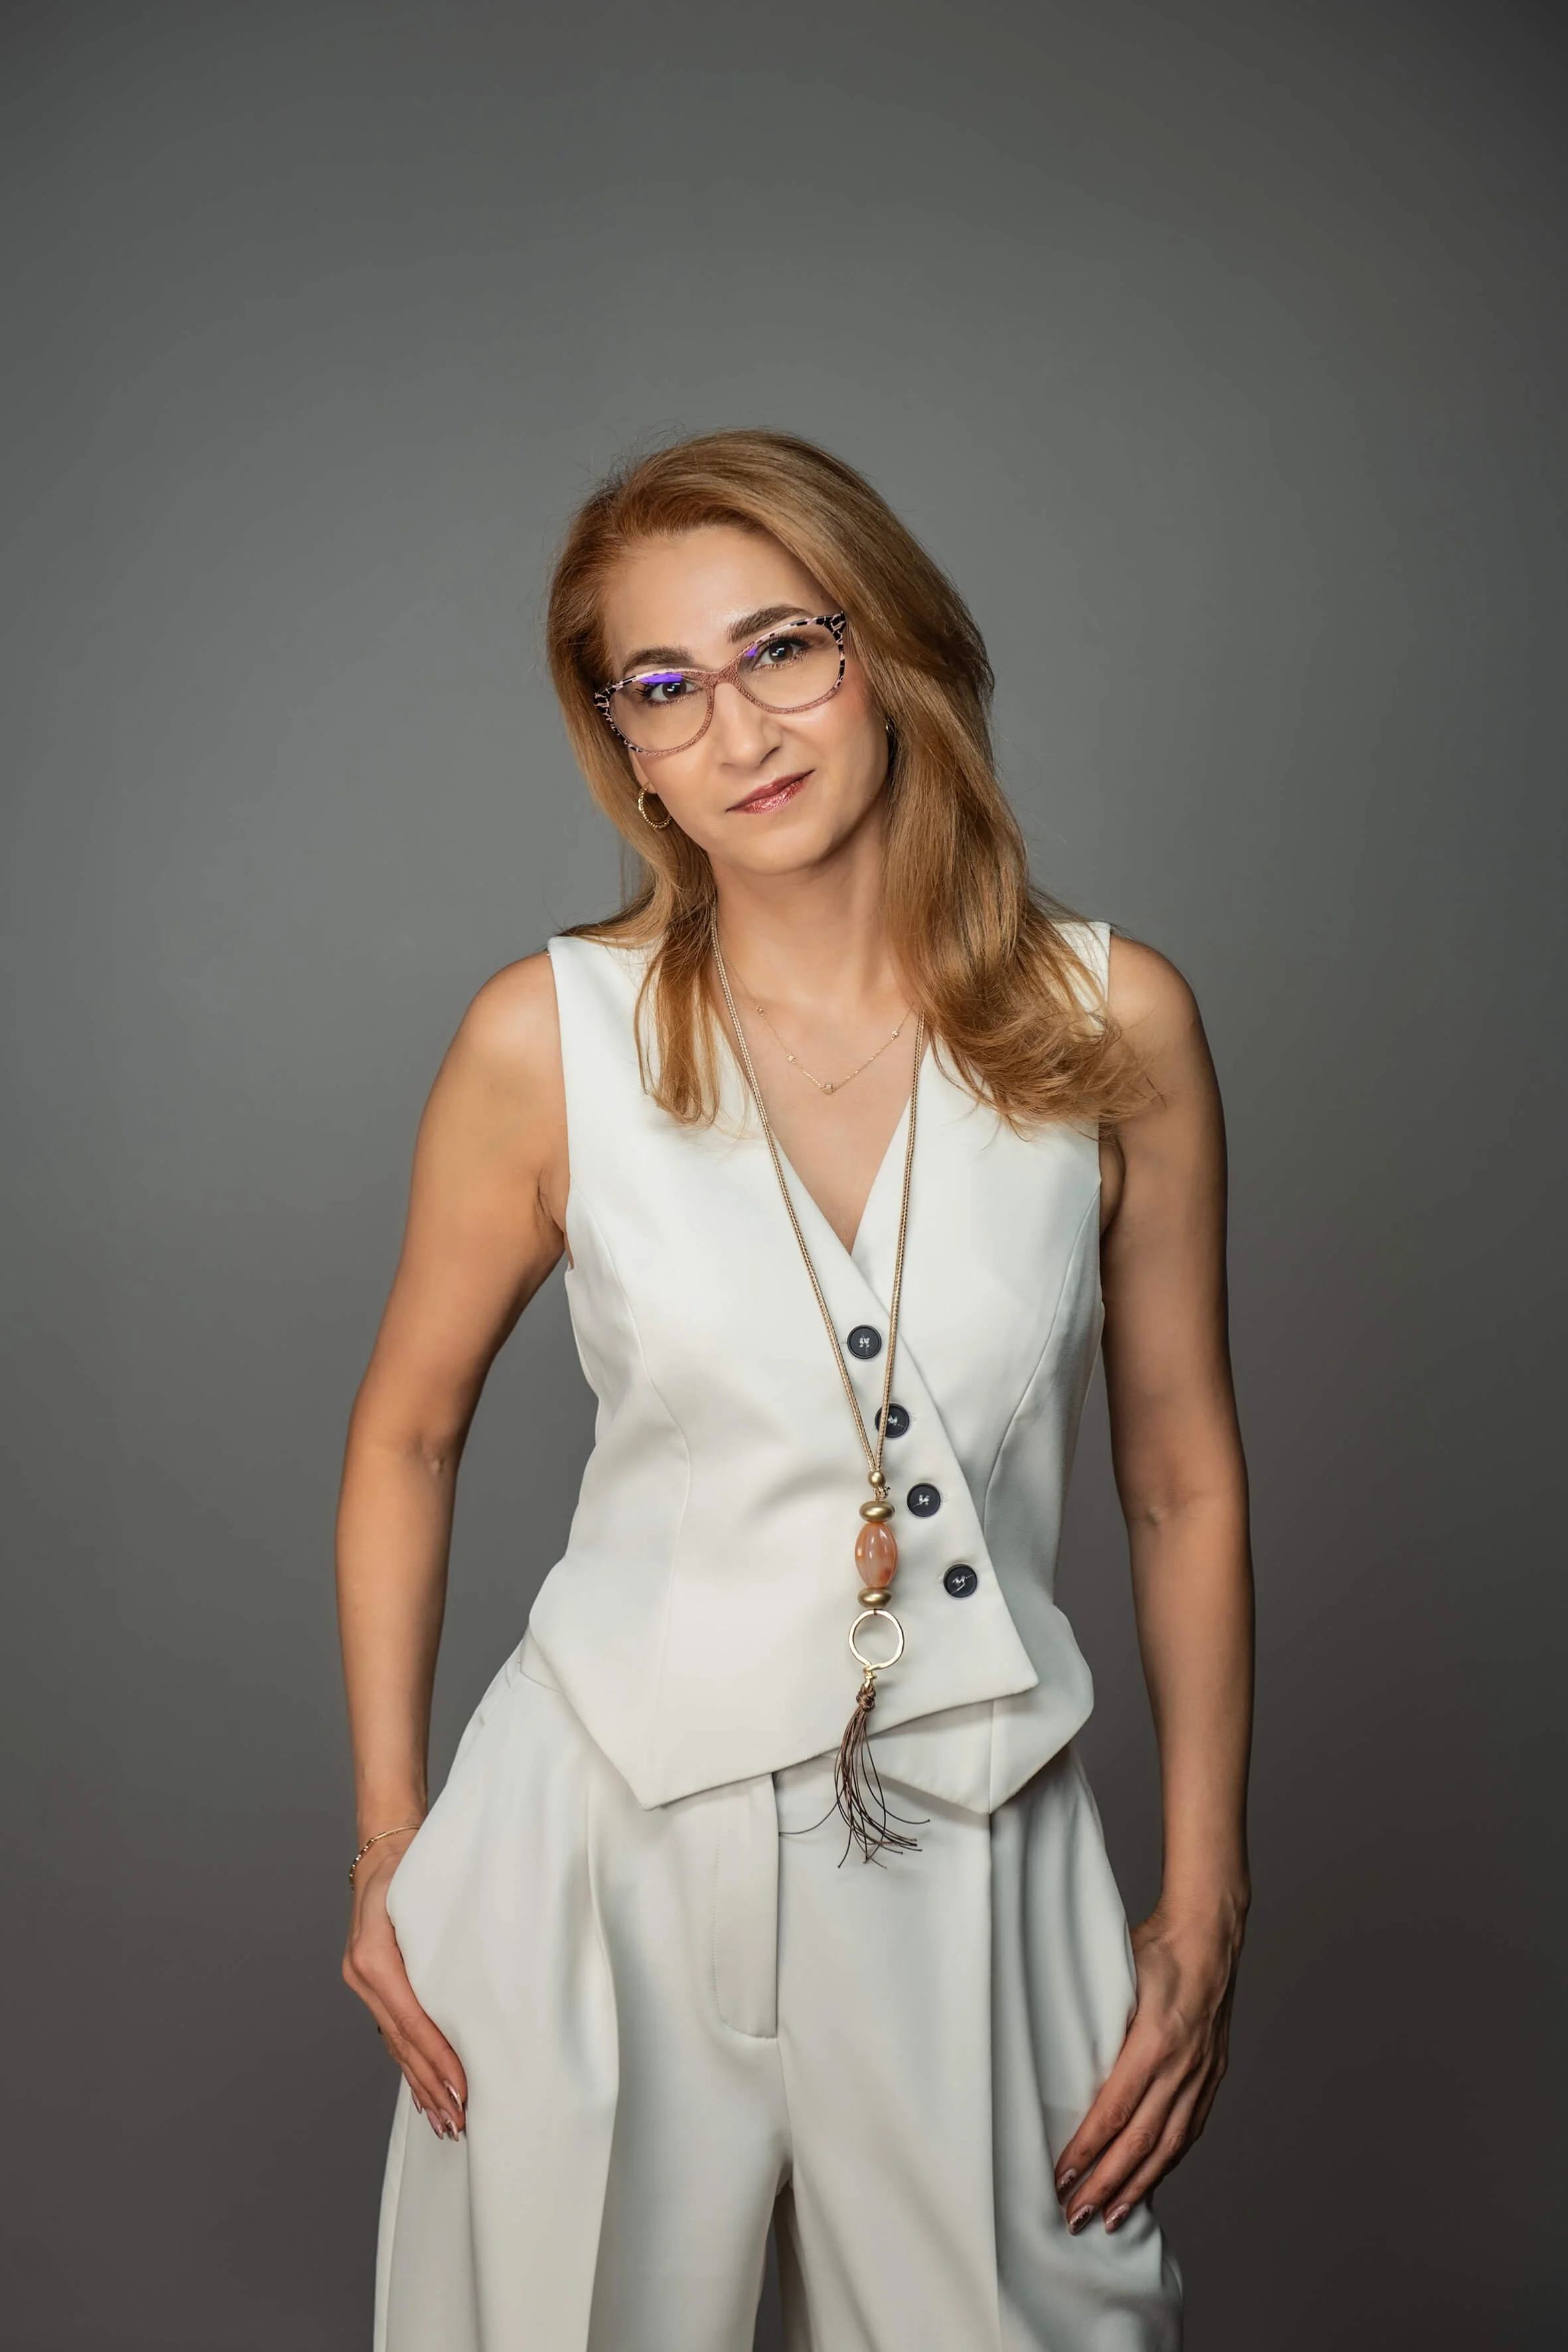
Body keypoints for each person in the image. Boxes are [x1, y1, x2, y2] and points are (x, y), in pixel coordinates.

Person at [337, 430, 1253, 2352]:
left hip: (978, 1835)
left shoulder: (1115, 1022)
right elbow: (406, 1432)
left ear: (886, 649)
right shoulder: (547, 1039)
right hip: (594, 1848)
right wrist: (392, 1838)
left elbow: (1180, 1477)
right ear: (626, 747)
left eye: (784, 647)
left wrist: (1203, 1893)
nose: (739, 729)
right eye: (663, 685)